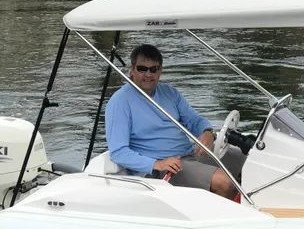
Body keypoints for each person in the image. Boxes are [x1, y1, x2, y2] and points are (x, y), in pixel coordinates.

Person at [104, 44, 245, 199]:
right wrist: (156, 164)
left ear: (160, 71)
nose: (148, 74)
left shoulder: (170, 93)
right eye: (142, 69)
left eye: (154, 69)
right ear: (132, 69)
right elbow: (118, 152)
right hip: (161, 169)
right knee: (226, 183)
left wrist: (207, 132)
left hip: (188, 154)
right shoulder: (120, 102)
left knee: (249, 161)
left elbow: (194, 120)